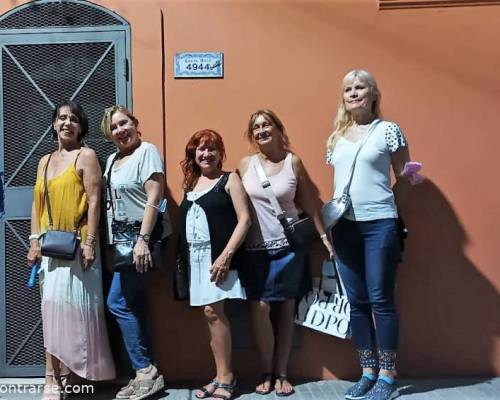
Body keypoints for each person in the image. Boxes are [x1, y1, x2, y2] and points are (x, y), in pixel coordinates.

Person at [326, 69, 421, 400]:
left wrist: (390, 210)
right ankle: (367, 371)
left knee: (381, 299)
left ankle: (387, 375)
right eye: (348, 89)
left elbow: (406, 176)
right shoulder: (336, 137)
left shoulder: (388, 131)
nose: (353, 93)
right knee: (357, 302)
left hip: (379, 224)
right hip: (345, 227)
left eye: (360, 87)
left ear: (373, 94)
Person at [238, 109, 332, 396]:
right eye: (256, 127)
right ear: (252, 135)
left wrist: (323, 237)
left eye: (267, 124)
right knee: (261, 307)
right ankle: (266, 371)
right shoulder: (245, 165)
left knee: (287, 309)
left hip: (289, 247)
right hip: (255, 249)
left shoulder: (293, 162)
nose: (262, 130)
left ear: (279, 129)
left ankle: (281, 373)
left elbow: (309, 202)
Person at [27, 101, 115, 399]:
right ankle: (51, 378)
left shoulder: (86, 156)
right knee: (52, 311)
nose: (67, 123)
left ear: (81, 127)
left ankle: (71, 378)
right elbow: (36, 203)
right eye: (62, 118)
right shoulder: (44, 160)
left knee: (75, 313)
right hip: (51, 248)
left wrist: (90, 243)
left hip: (78, 247)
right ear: (53, 124)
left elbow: (93, 202)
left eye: (74, 119)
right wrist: (34, 239)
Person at [101, 106, 170, 400]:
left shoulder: (148, 151)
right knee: (134, 304)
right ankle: (147, 370)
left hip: (140, 243)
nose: (120, 130)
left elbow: (155, 197)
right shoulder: (111, 160)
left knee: (117, 301)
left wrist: (142, 240)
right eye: (114, 127)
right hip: (120, 244)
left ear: (135, 123)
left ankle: (144, 370)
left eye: (124, 123)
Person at [179, 129, 250, 400]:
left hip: (219, 258)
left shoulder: (230, 179)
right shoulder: (191, 184)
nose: (206, 154)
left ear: (221, 154)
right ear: (193, 154)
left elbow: (244, 220)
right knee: (209, 316)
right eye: (201, 149)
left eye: (212, 149)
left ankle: (227, 377)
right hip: (196, 259)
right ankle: (219, 375)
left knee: (213, 312)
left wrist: (225, 255)